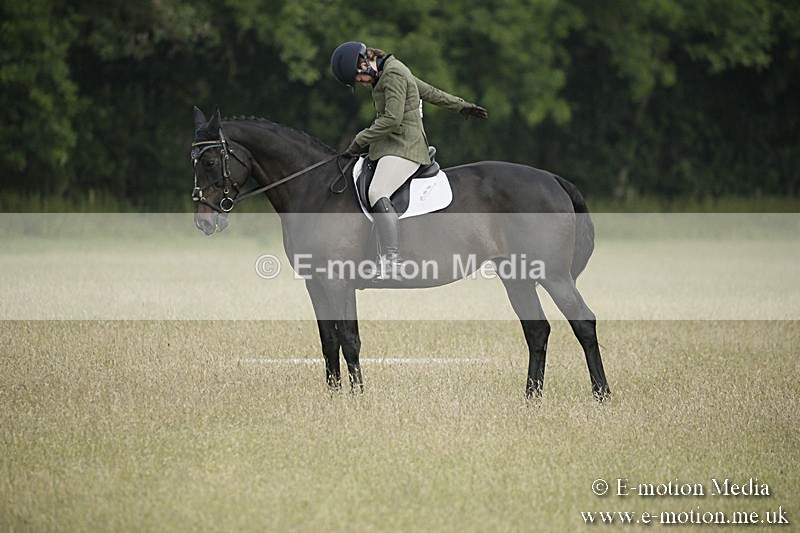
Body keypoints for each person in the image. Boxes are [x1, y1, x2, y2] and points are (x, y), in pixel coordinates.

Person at [330, 41, 488, 279]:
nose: (361, 83)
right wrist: (459, 105)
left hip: (406, 147)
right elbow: (428, 91)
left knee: (377, 193)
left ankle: (392, 260)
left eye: (358, 78)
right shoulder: (388, 72)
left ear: (364, 62)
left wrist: (359, 140)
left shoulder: (393, 74)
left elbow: (392, 120)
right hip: (388, 145)